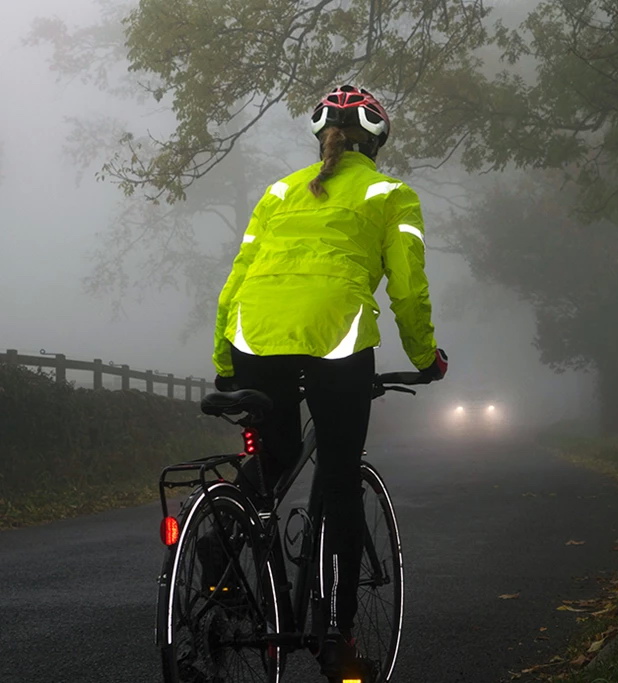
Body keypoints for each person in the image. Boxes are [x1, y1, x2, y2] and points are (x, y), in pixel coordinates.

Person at [210, 85, 447, 680]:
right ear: (376, 142)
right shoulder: (391, 194)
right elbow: (407, 288)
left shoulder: (278, 192)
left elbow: (237, 279)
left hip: (253, 335)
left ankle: (219, 552)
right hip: (336, 337)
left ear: (322, 137)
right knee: (339, 477)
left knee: (274, 457)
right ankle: (337, 640)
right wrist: (426, 357)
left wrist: (224, 360)